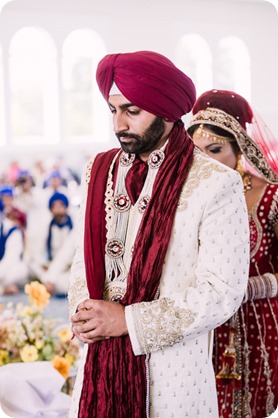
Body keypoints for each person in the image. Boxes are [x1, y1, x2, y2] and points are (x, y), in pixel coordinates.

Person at [68, 51, 250, 418]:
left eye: (132, 111)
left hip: (173, 376)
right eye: (112, 110)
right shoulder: (98, 169)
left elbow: (221, 292)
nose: (119, 123)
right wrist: (82, 313)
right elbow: (82, 258)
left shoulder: (215, 182)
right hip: (98, 367)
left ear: (166, 110)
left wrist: (127, 321)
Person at [188, 89, 278, 418]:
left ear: (240, 147)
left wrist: (255, 287)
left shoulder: (270, 198)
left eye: (215, 150)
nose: (205, 162)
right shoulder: (186, 199)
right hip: (202, 325)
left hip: (257, 323)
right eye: (197, 152)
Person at [25, 192, 74, 296]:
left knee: (66, 282)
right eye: (55, 207)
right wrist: (46, 265)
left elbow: (66, 255)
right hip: (49, 265)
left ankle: (48, 285)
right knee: (31, 265)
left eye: (61, 206)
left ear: (66, 207)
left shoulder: (75, 226)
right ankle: (48, 283)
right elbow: (38, 252)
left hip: (69, 268)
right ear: (51, 209)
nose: (58, 209)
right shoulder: (46, 227)